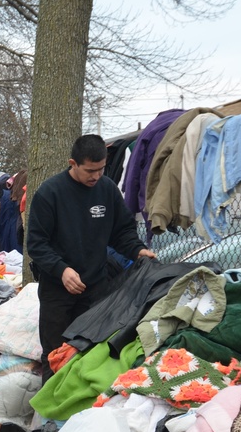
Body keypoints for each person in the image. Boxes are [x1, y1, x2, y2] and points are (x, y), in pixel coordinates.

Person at [26, 134, 156, 358]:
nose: (96, 176)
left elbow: (122, 231)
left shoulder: (107, 190)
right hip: (57, 291)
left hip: (95, 288)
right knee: (56, 355)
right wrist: (61, 270)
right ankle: (52, 393)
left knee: (90, 354)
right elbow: (37, 244)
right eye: (89, 171)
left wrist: (137, 250)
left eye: (101, 169)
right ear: (73, 164)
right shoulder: (49, 193)